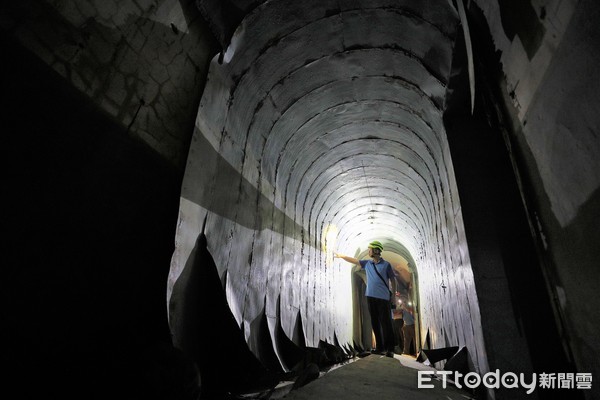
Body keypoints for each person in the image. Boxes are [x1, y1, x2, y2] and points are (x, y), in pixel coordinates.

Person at [334, 241, 400, 358]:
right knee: (375, 322)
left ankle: (390, 349)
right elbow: (354, 260)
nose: (368, 251)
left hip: (383, 297)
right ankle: (380, 348)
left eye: (370, 249)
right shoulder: (368, 264)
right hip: (370, 296)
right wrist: (341, 256)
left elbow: (393, 280)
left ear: (376, 250)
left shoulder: (386, 265)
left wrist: (393, 296)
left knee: (386, 324)